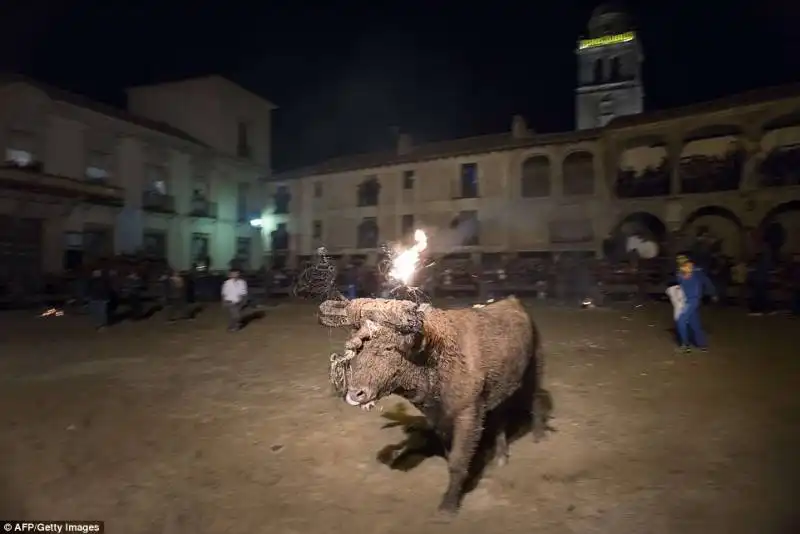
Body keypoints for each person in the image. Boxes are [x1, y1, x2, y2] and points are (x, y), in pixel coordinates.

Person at [674, 254, 717, 353]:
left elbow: (706, 282)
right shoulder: (683, 271)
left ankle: (685, 345)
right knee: (694, 322)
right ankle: (703, 344)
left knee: (681, 320)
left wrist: (713, 293)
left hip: (693, 300)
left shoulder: (694, 271)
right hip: (690, 300)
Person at [221, 267, 248, 332]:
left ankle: (232, 326)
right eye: (233, 273)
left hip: (239, 301)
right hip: (230, 301)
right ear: (230, 274)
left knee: (235, 314)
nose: (234, 275)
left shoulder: (242, 282)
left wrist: (243, 300)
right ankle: (235, 327)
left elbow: (244, 292)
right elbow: (224, 292)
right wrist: (224, 301)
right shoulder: (227, 283)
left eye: (236, 273)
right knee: (236, 315)